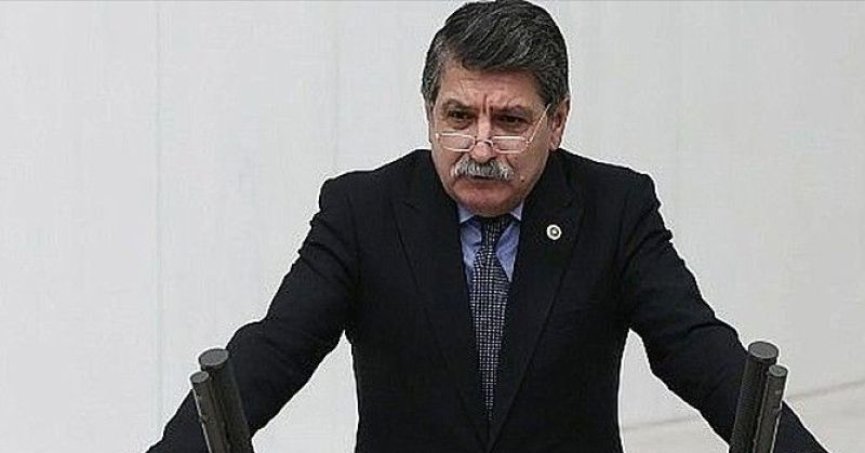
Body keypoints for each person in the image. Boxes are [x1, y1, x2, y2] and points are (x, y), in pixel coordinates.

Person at [149, 1, 828, 452]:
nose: (479, 146)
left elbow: (699, 353)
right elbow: (273, 352)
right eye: (458, 117)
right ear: (428, 112)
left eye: (509, 121)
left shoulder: (614, 208)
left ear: (557, 121)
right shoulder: (362, 211)